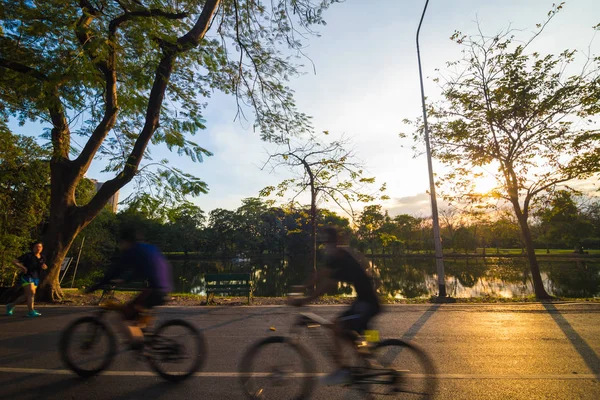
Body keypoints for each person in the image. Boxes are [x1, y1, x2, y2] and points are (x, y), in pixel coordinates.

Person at [287, 226, 381, 385]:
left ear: (335, 242)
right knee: (348, 331)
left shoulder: (342, 257)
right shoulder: (336, 257)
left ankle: (344, 370)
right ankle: (366, 357)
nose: (326, 245)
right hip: (363, 301)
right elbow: (321, 274)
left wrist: (304, 300)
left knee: (337, 326)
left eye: (328, 241)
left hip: (368, 303)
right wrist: (301, 287)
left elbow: (325, 286)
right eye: (324, 242)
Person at [86, 228, 173, 346]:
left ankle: (138, 344)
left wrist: (96, 286)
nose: (120, 246)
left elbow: (116, 269)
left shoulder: (132, 250)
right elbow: (141, 270)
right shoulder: (148, 248)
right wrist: (125, 279)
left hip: (154, 289)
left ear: (126, 241)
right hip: (163, 287)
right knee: (137, 313)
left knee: (124, 316)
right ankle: (142, 337)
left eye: (120, 243)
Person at [6, 241, 48, 317]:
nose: (38, 248)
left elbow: (41, 266)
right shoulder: (28, 256)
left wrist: (44, 266)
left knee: (27, 296)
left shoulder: (42, 257)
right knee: (31, 293)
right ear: (33, 248)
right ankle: (31, 311)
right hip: (27, 276)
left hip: (36, 277)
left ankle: (11, 305)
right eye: (36, 247)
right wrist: (22, 267)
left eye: (40, 247)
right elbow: (14, 261)